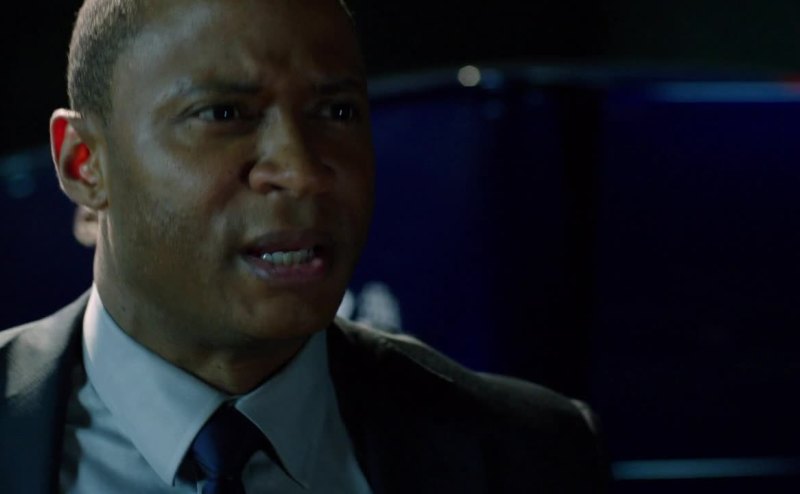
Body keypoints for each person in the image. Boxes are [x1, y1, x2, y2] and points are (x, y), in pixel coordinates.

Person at [0, 0, 608, 492]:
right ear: (84, 162)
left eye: (337, 111)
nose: (301, 170)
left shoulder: (532, 456)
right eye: (224, 114)